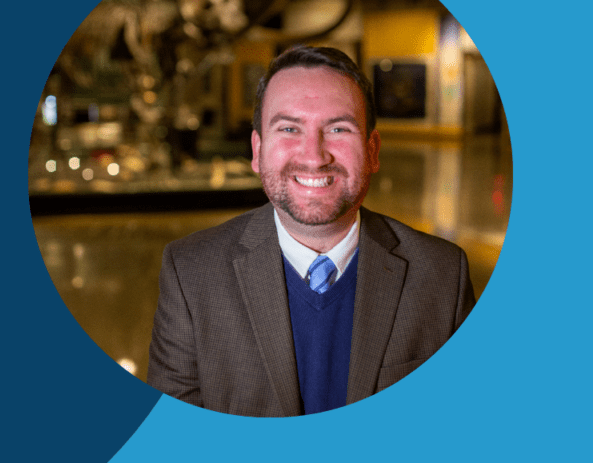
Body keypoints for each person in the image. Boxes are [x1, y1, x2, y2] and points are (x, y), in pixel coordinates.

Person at [147, 46, 475, 417]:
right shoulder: (191, 273)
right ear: (257, 150)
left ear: (372, 149)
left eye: (338, 128)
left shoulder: (442, 275)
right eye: (289, 128)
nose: (315, 156)